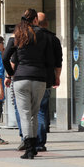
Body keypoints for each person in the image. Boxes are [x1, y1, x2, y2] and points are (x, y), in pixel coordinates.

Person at [3, 8, 54, 159]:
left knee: (25, 114)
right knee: (35, 113)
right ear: (35, 20)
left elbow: (5, 58)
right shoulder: (44, 36)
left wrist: (11, 73)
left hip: (21, 79)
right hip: (39, 79)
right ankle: (36, 145)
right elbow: (50, 59)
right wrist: (51, 77)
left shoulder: (17, 35)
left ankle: (30, 149)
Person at [35, 12, 62, 151]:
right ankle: (40, 142)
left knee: (31, 111)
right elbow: (59, 61)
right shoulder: (54, 39)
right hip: (46, 79)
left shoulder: (31, 37)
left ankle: (29, 139)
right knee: (42, 110)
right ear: (46, 23)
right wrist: (57, 76)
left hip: (31, 78)